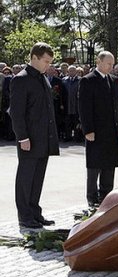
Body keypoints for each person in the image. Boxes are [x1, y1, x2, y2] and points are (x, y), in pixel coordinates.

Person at [9, 42, 60, 229]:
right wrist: (22, 137)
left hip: (44, 138)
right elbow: (16, 112)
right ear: (34, 58)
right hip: (29, 139)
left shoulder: (42, 78)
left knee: (37, 177)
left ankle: (35, 213)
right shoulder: (20, 79)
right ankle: (24, 216)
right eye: (46, 61)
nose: (48, 65)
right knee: (26, 178)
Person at [78, 51, 118, 207]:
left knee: (109, 165)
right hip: (96, 131)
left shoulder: (113, 80)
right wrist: (88, 130)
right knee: (94, 166)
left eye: (113, 64)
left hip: (112, 130)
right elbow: (84, 108)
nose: (111, 67)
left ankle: (106, 197)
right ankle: (92, 199)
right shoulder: (88, 80)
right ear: (99, 61)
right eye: (108, 64)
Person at [62, 65, 81, 142]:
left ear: (76, 71)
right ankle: (68, 136)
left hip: (76, 104)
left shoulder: (80, 80)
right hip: (67, 104)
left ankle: (77, 137)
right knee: (67, 122)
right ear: (68, 72)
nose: (72, 72)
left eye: (73, 70)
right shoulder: (64, 80)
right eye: (70, 70)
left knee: (76, 122)